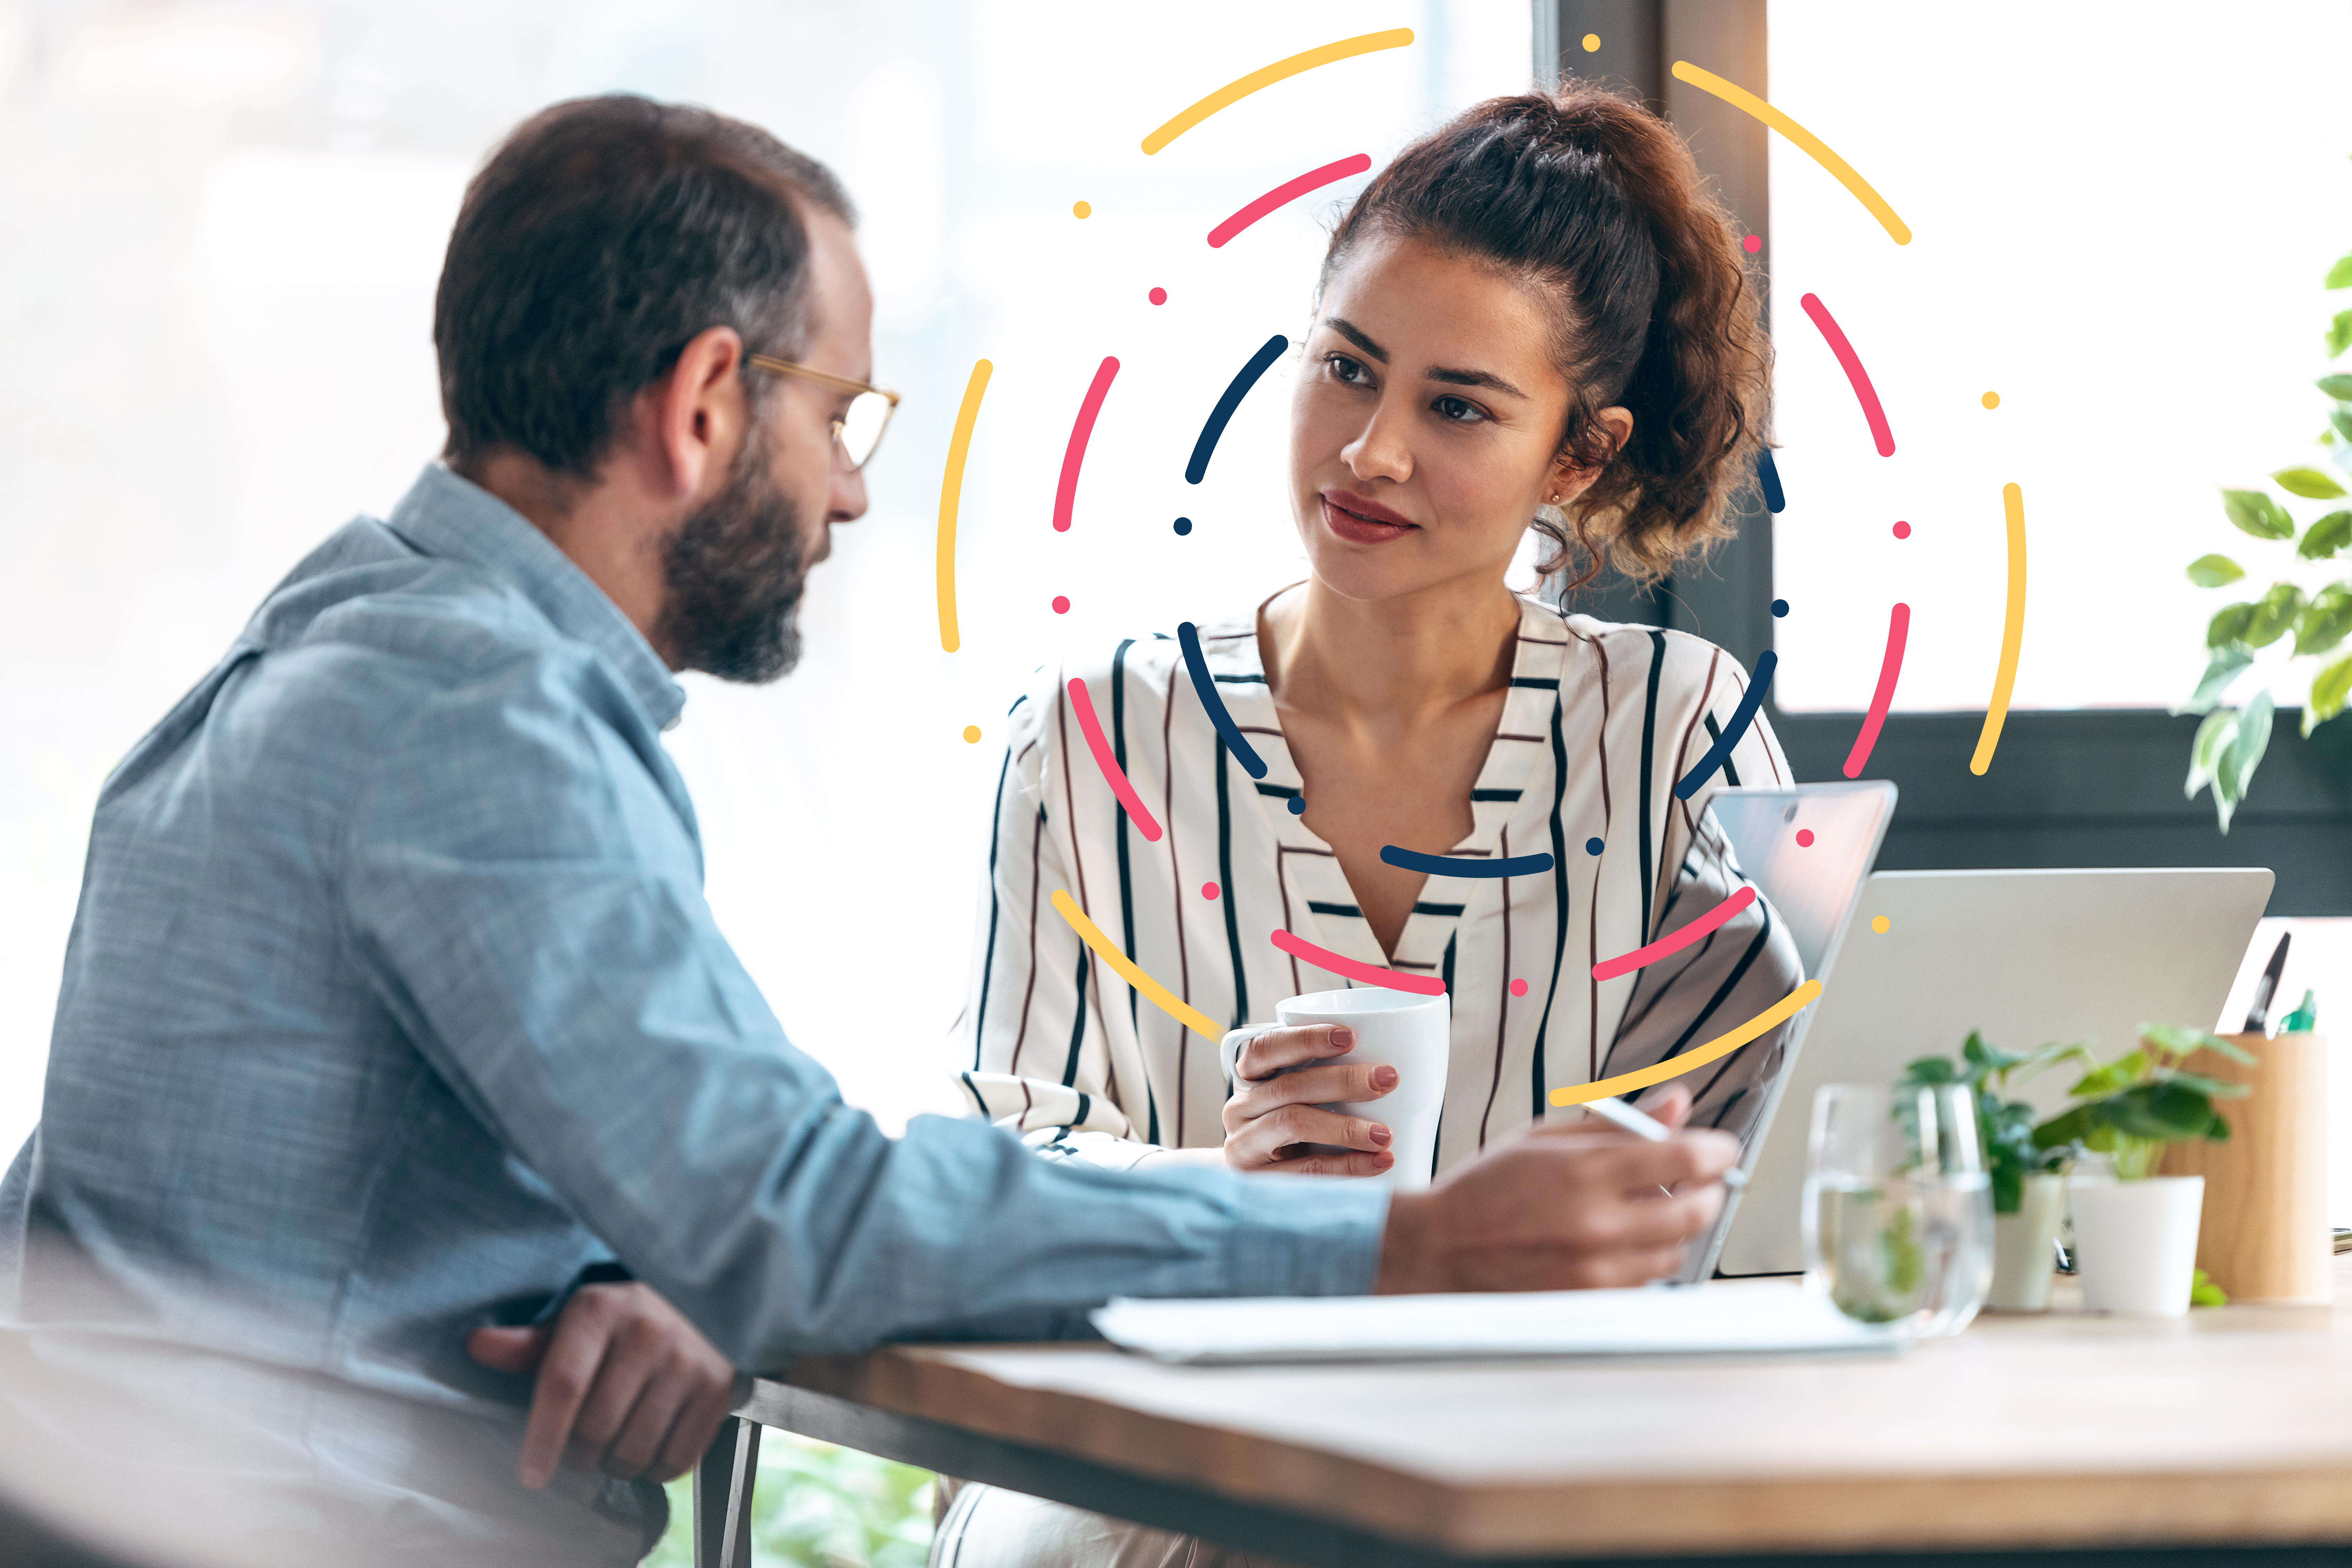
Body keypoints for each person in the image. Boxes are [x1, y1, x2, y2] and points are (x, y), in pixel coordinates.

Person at [0, 94, 1738, 1568]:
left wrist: (658, 1257)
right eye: (839, 416)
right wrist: (1402, 1245)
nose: (847, 488)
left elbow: (570, 1181)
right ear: (700, 407)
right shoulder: (476, 723)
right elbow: (798, 1212)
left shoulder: (363, 643)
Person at [943, 83, 1802, 1567]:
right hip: (1159, 1442)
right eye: (1347, 370)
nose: (1370, 450)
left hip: (1539, 1451)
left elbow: (1746, 1160)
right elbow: (1008, 1166)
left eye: (1456, 406)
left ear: (1579, 457)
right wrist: (1234, 1196)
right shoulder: (1092, 734)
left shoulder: (1679, 731)